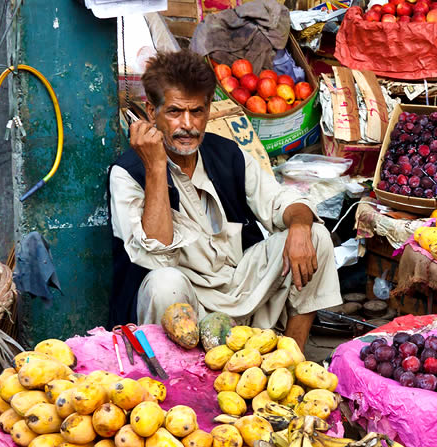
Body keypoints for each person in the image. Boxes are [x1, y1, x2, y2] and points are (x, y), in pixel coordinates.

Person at [108, 50, 341, 350]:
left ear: (208, 110)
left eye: (197, 112)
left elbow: (281, 201)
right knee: (164, 283)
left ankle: (291, 358)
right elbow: (158, 252)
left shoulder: (227, 154)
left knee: (315, 235)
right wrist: (155, 168)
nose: (188, 125)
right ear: (152, 113)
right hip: (186, 299)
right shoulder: (127, 173)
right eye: (175, 112)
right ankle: (179, 379)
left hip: (239, 286)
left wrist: (298, 226)